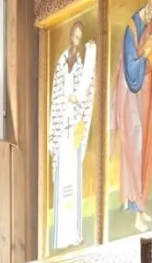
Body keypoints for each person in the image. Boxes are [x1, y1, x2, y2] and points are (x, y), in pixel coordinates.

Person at [114, 0, 152, 232]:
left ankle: (141, 204)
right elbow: (130, 70)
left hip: (144, 99)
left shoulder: (149, 27)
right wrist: (146, 57)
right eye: (150, 8)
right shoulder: (132, 30)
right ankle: (135, 209)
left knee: (148, 147)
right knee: (135, 150)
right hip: (131, 101)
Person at [49, 20, 97, 250]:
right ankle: (60, 236)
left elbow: (85, 89)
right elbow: (56, 95)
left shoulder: (81, 62)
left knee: (73, 178)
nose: (77, 39)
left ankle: (74, 233)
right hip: (62, 122)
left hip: (74, 122)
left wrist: (92, 54)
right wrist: (53, 133)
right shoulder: (62, 61)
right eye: (75, 35)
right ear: (70, 36)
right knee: (62, 180)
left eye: (80, 36)